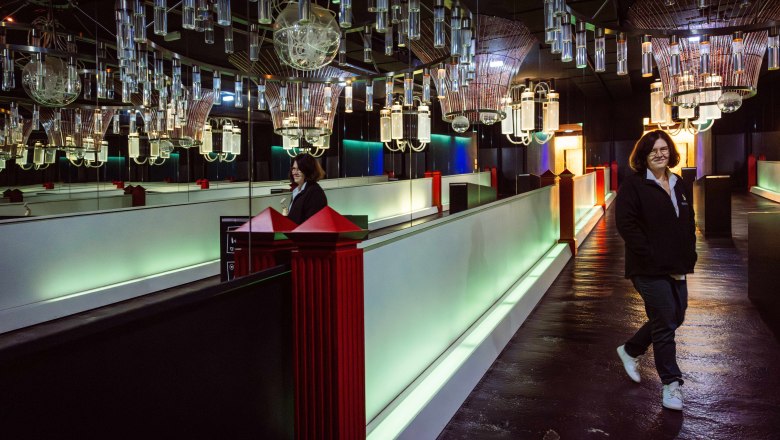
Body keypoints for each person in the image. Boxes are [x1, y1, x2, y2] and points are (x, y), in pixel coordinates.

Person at [614, 130, 697, 411]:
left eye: (663, 149)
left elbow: (688, 221)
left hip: (677, 263)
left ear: (670, 152)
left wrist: (690, 252)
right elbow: (626, 225)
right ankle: (671, 384)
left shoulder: (678, 183)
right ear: (643, 156)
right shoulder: (633, 185)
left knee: (676, 315)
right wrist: (650, 253)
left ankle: (631, 350)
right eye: (653, 151)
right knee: (664, 320)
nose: (659, 154)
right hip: (646, 267)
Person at [287, 153, 327, 225]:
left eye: (299, 169)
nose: (295, 172)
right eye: (293, 168)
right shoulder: (296, 191)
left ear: (308, 170)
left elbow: (311, 225)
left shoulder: (315, 192)